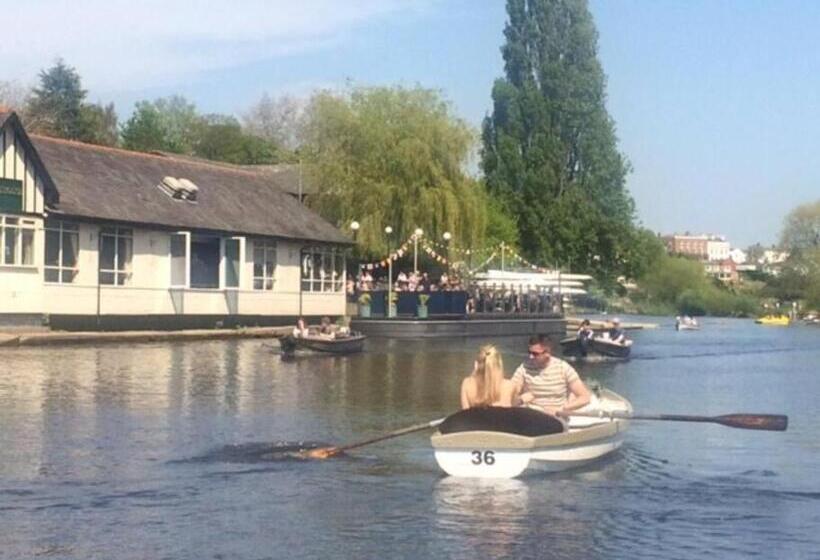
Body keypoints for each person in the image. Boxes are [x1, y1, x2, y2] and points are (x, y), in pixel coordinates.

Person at [512, 334, 591, 417]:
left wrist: (563, 408)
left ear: (547, 353)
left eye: (535, 354)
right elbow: (511, 392)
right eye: (529, 352)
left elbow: (585, 397)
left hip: (556, 417)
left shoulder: (563, 368)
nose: (530, 356)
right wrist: (521, 400)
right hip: (532, 415)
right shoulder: (524, 368)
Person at [460, 345, 518, 409]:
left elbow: (464, 414)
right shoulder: (510, 386)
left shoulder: (467, 384)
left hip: (476, 418)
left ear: (477, 364)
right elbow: (514, 414)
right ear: (499, 365)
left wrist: (474, 372)